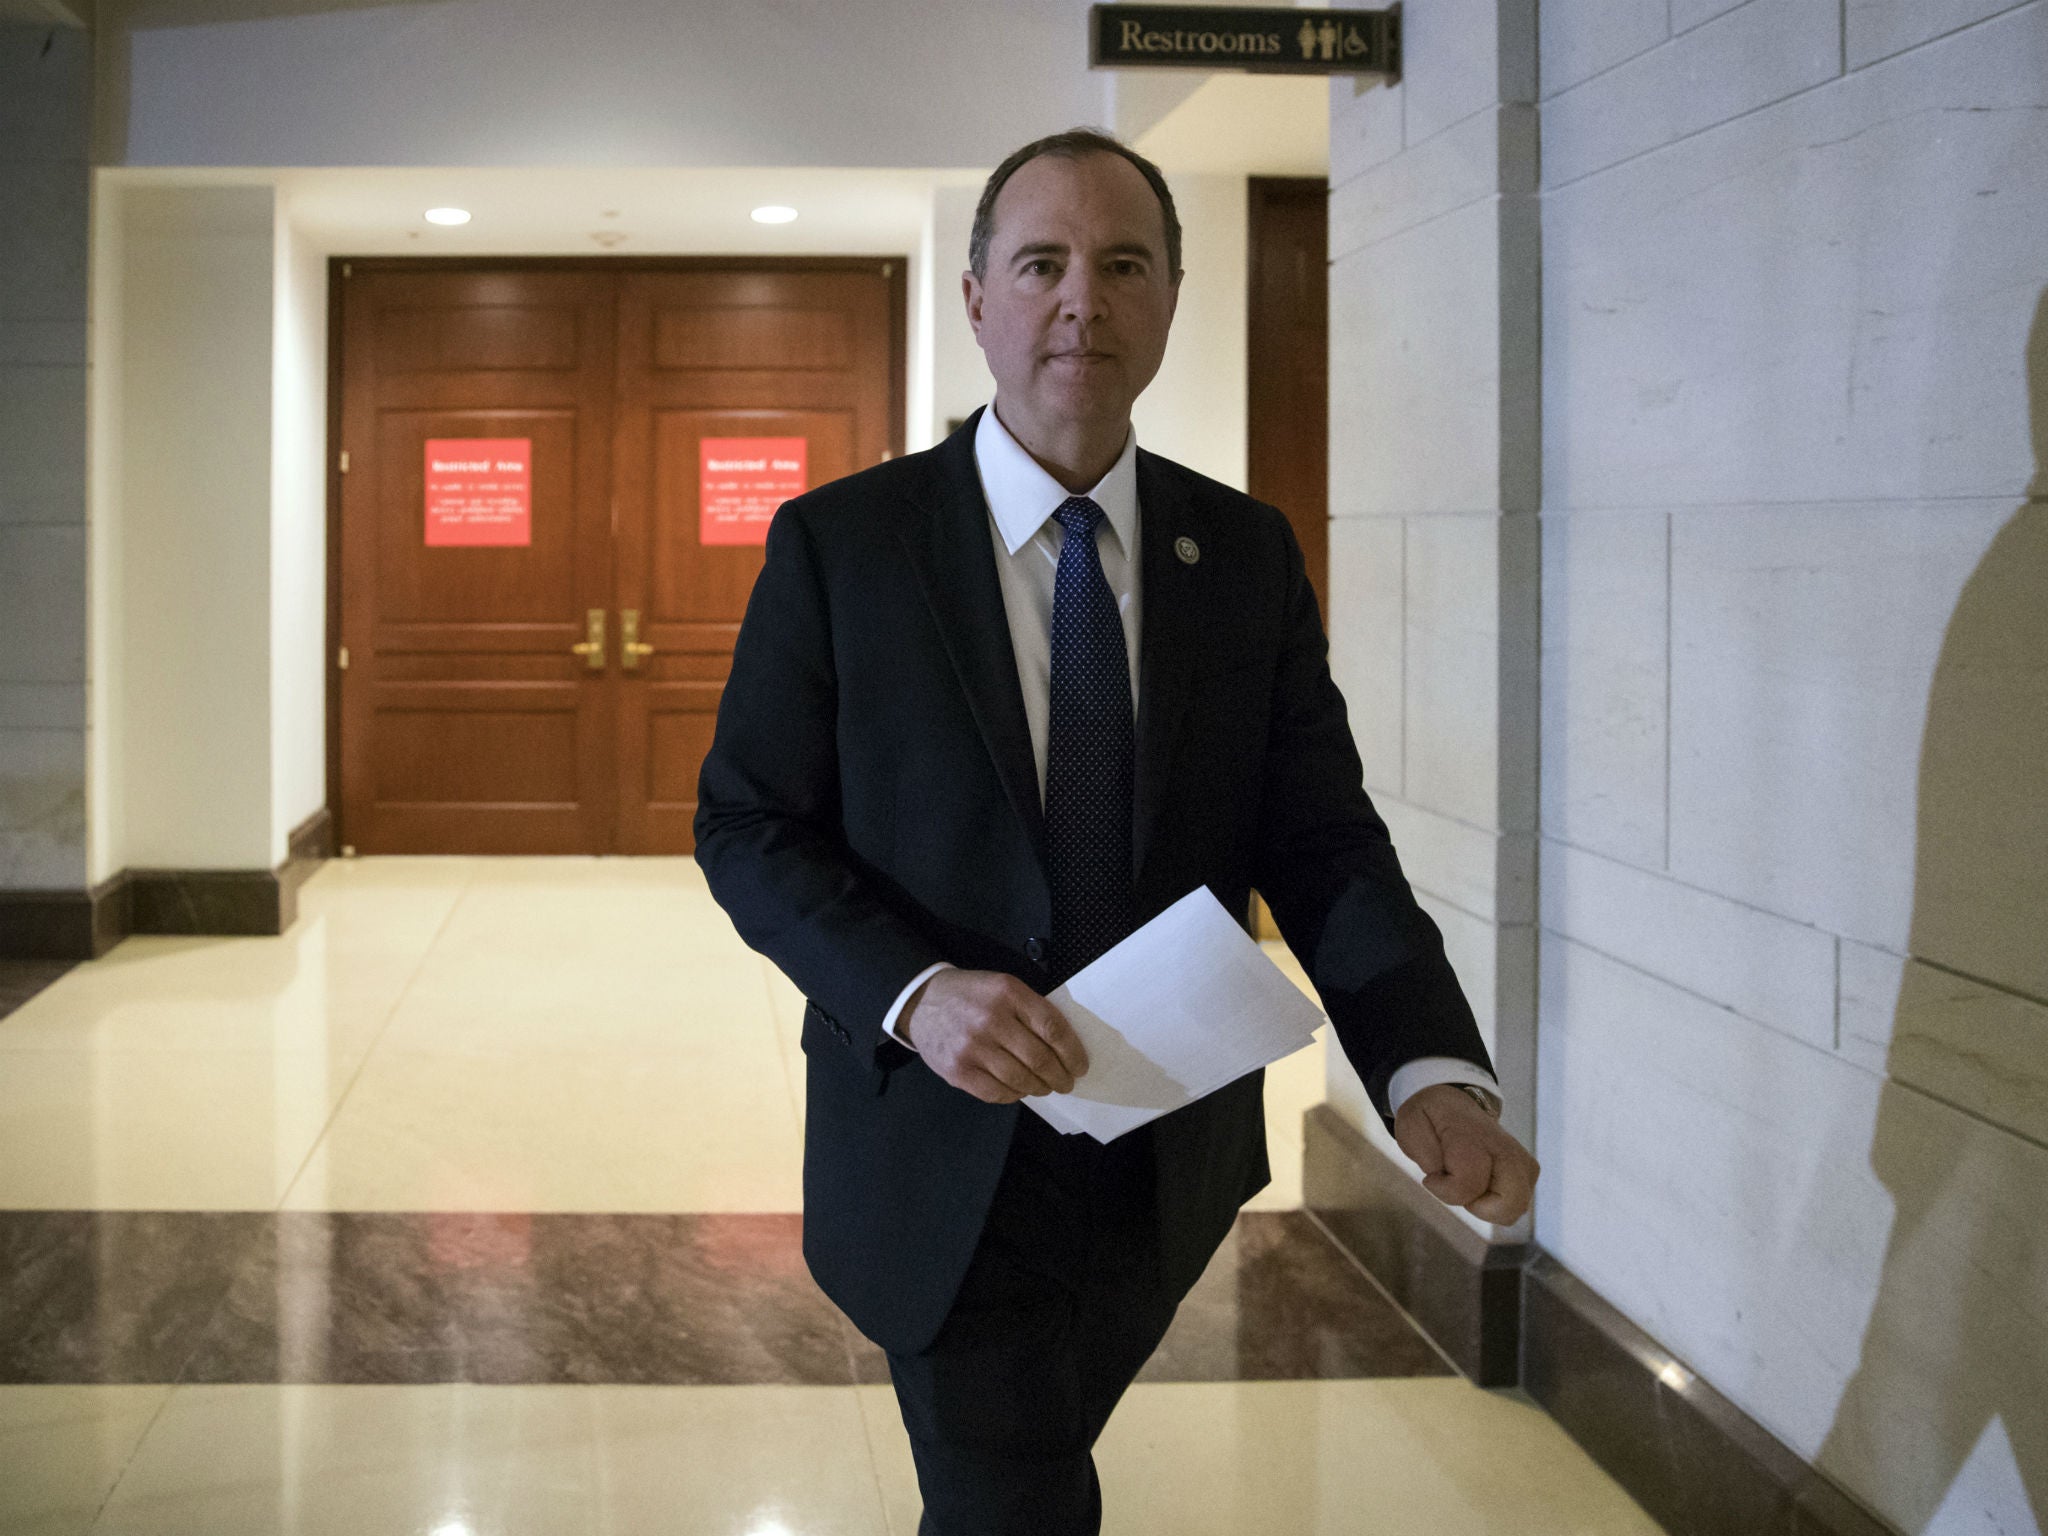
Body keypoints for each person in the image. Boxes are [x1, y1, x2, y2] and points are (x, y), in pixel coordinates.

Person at [694, 127, 1541, 1536]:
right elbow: (747, 824)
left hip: (1161, 1153)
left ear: (1170, 299)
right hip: (938, 1142)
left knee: (1024, 1472)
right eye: (1042, 264)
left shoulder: (1245, 553)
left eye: (1124, 264)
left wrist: (1423, 1063)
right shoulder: (845, 546)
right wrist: (916, 992)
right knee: (1016, 1495)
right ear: (979, 299)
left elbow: (1321, 840)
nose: (1082, 300)